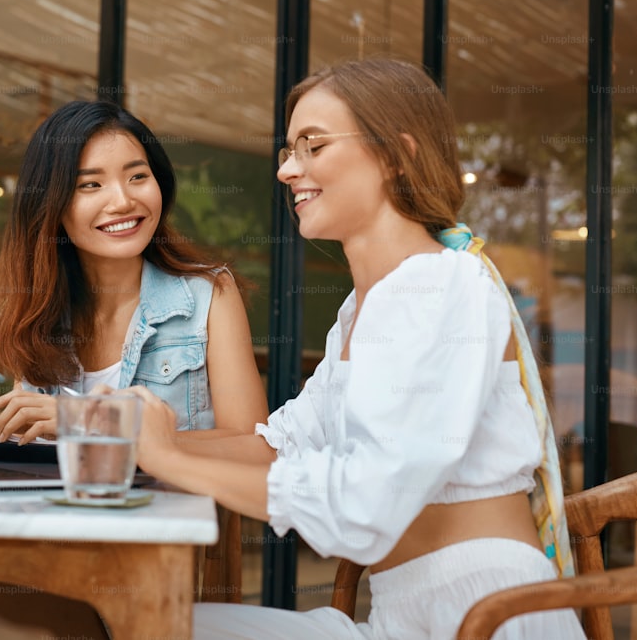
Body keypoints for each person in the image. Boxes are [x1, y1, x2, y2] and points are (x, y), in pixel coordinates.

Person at [121, 58, 586, 639]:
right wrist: (108, 433)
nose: (287, 169)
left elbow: (365, 506)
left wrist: (167, 458)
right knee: (149, 625)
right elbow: (278, 444)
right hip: (399, 617)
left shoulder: (440, 288)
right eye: (290, 150)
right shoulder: (360, 310)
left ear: (396, 155)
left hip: (483, 614)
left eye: (312, 146)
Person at [0, 100, 267, 443]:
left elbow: (252, 445)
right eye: (91, 185)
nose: (123, 201)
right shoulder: (40, 311)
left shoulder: (209, 294)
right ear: (51, 206)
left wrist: (90, 419)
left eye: (138, 176)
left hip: (171, 498)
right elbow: (44, 446)